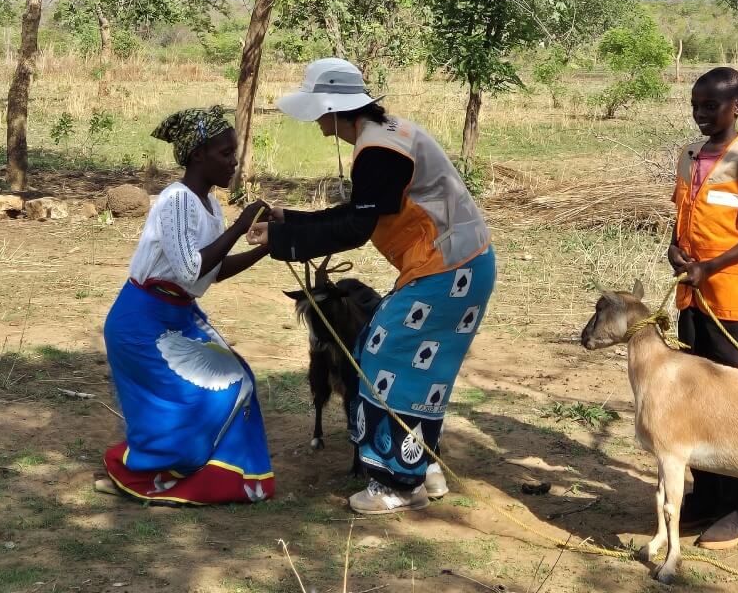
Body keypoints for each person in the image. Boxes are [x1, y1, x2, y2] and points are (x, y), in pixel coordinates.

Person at [246, 58, 496, 515]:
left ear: (330, 108)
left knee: (383, 360)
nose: (315, 120)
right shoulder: (384, 137)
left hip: (447, 269)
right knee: (423, 372)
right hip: (460, 267)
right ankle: (423, 468)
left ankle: (397, 484)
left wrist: (281, 239)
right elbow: (360, 214)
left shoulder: (378, 150)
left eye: (316, 109)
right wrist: (291, 221)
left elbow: (356, 227)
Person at [96, 105, 276, 505]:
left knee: (237, 379)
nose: (234, 162)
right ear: (197, 155)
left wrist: (267, 249)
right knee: (201, 395)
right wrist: (240, 226)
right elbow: (192, 267)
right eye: (225, 154)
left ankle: (193, 470)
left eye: (234, 152)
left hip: (175, 315)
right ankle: (141, 471)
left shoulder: (209, 205)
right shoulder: (176, 200)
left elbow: (208, 275)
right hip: (141, 322)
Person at [667, 67, 738, 549]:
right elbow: (683, 217)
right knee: (694, 398)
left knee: (736, 403)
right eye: (696, 105)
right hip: (691, 296)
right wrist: (675, 249)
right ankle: (706, 495)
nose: (701, 114)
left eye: (711, 106)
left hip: (728, 299)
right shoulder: (689, 155)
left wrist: (710, 267)